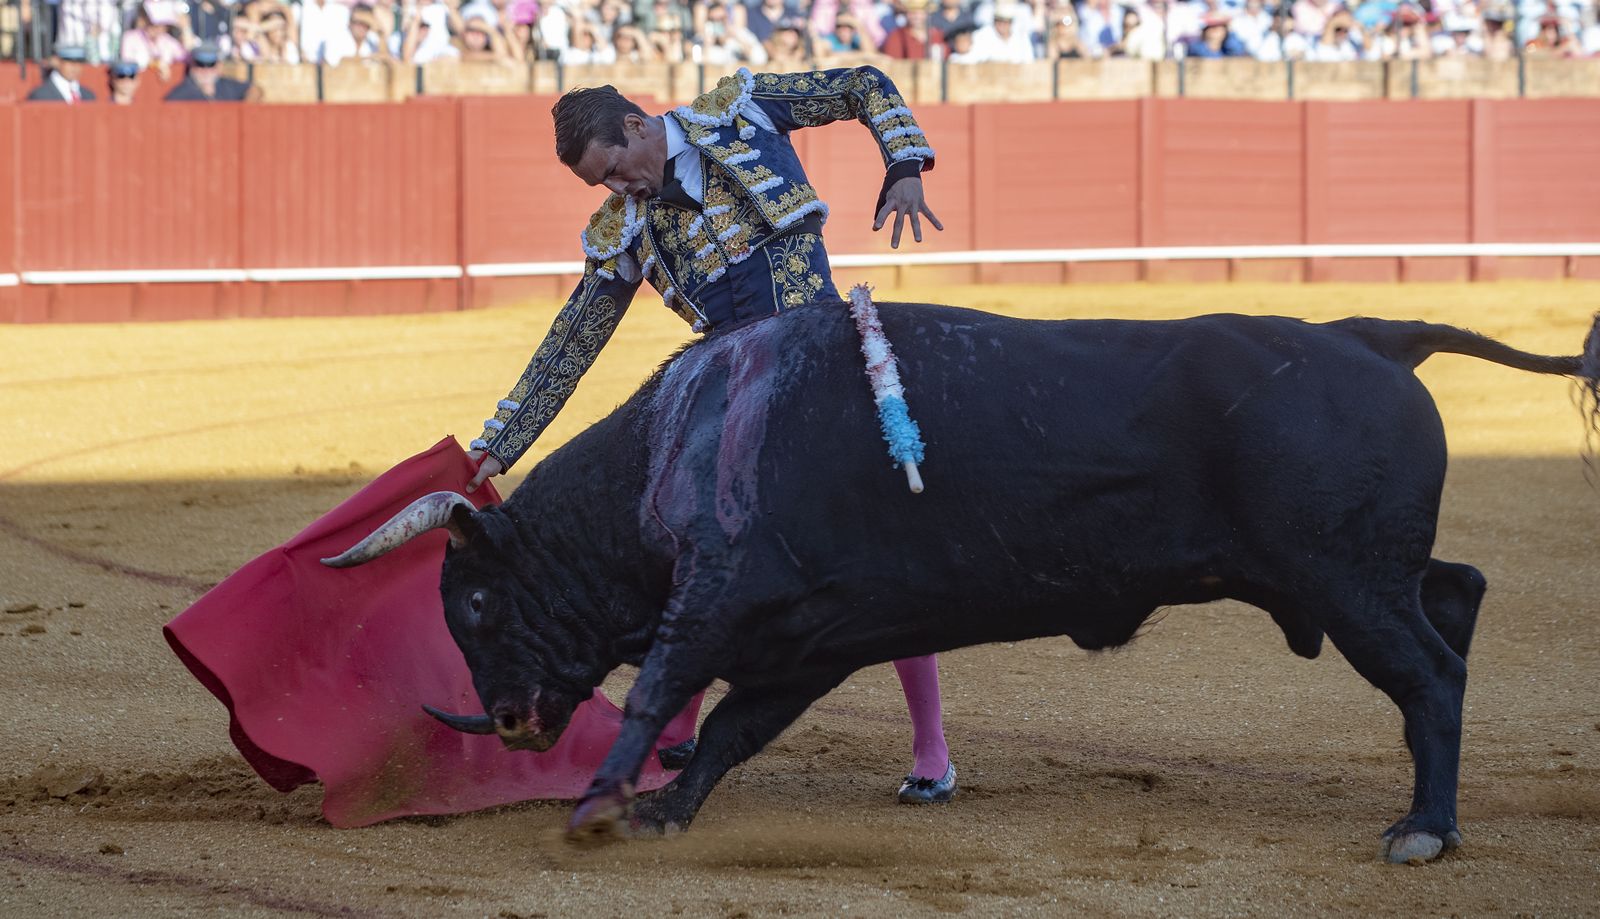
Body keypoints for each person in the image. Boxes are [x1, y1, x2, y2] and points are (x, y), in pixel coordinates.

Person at [464, 67, 957, 804]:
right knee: (695, 553)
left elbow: (863, 84)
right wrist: (499, 443)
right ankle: (677, 731)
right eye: (600, 185)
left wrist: (906, 164)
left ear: (635, 126)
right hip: (732, 398)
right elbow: (573, 342)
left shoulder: (743, 112)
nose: (616, 189)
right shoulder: (623, 229)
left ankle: (932, 748)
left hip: (823, 366)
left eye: (613, 170)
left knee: (879, 552)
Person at [165, 44, 254, 100]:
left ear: (218, 66)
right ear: (192, 65)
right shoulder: (182, 93)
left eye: (210, 64)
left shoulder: (226, 85)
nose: (205, 70)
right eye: (200, 64)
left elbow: (254, 90)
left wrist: (248, 101)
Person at [26, 44, 95, 102]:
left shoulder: (89, 96)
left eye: (80, 62)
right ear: (57, 61)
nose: (75, 67)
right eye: (70, 62)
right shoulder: (40, 96)